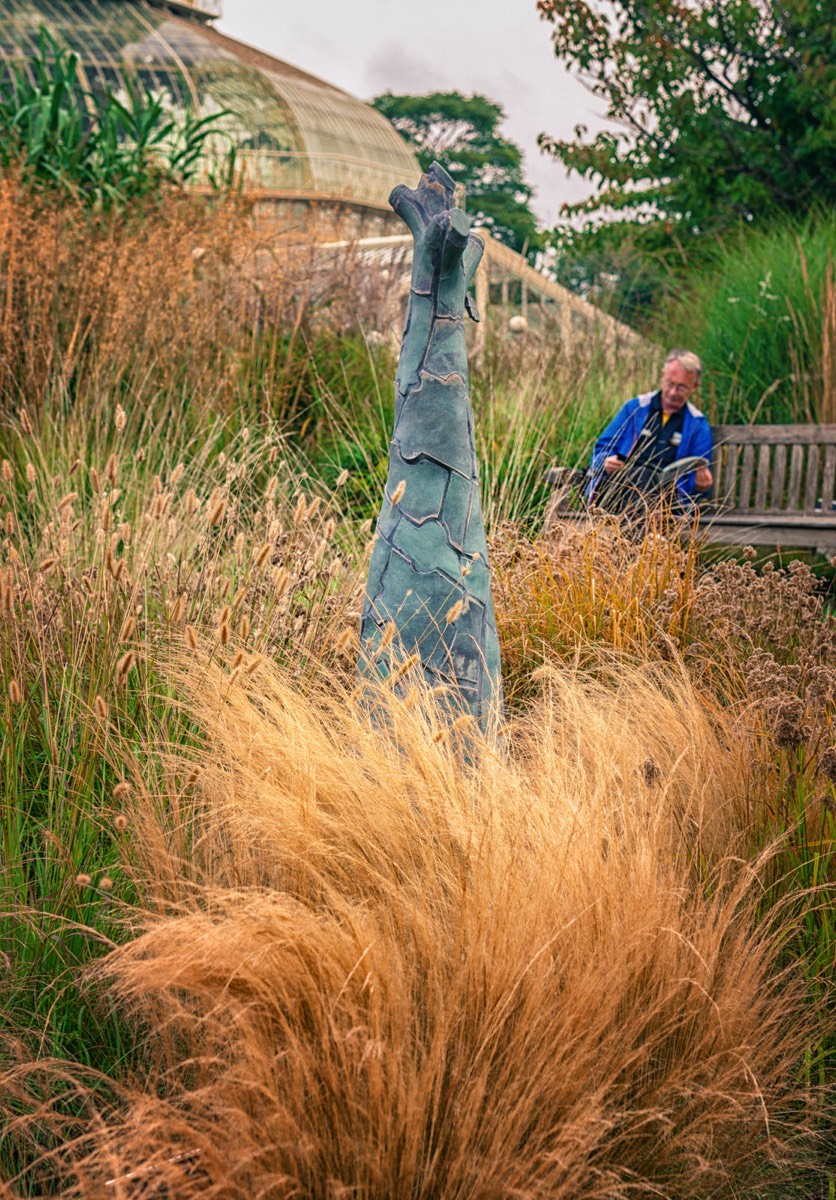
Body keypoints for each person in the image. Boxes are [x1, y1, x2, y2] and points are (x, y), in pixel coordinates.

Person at [586, 349, 713, 510]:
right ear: (662, 375)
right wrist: (606, 462)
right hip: (619, 490)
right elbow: (600, 450)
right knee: (639, 475)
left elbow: (699, 483)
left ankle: (634, 533)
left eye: (681, 388)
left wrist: (701, 485)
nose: (673, 392)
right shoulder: (635, 408)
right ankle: (643, 534)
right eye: (670, 384)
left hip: (667, 501)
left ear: (695, 386)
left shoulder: (698, 424)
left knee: (648, 480)